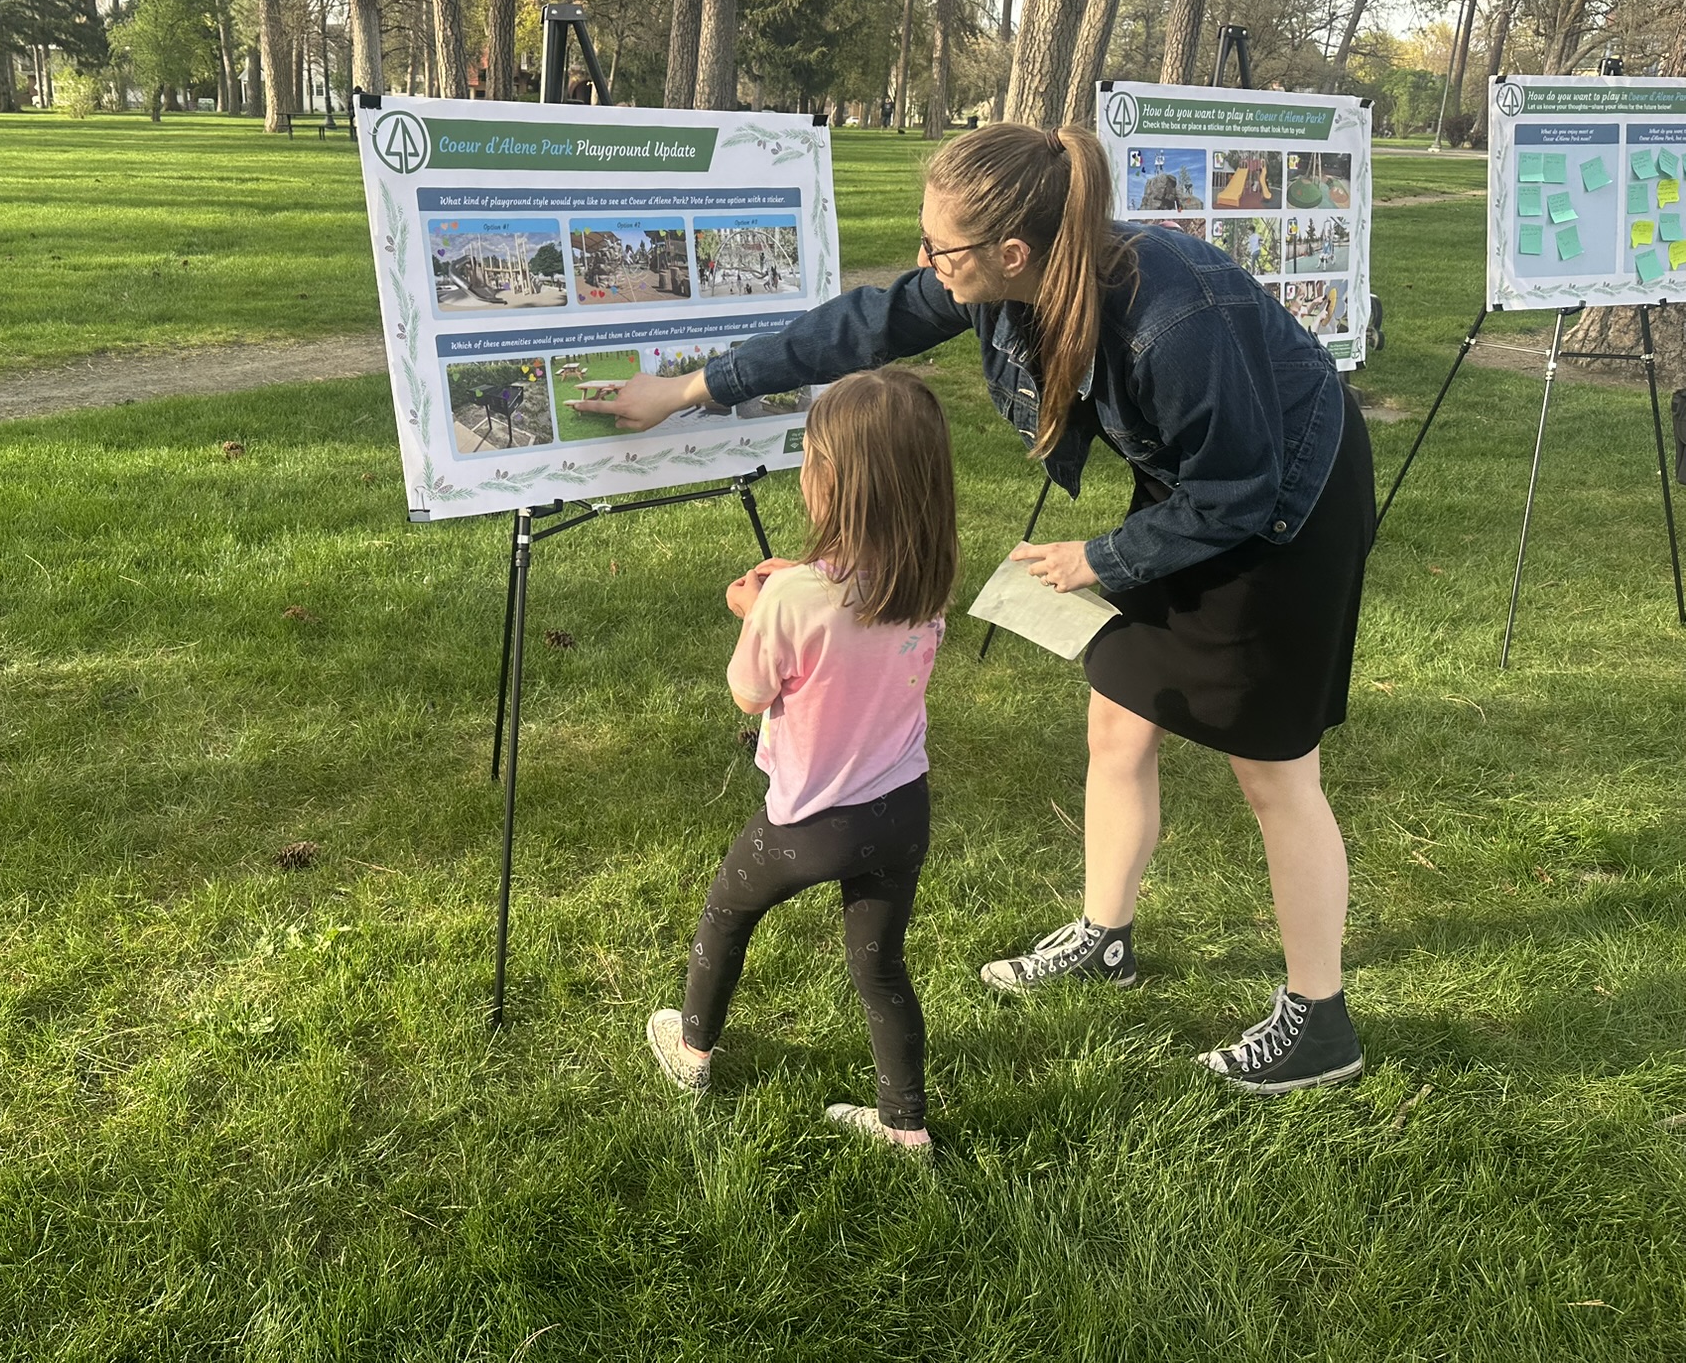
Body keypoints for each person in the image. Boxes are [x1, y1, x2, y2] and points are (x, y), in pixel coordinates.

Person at [586, 123, 1376, 1095]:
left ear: (1010, 252)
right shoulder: (1006, 278)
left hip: (1285, 503)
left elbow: (1239, 490)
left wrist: (1098, 558)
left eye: (939, 248)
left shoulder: (1173, 318)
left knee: (1272, 769)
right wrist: (688, 390)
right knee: (1116, 721)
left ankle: (1319, 1021)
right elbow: (860, 327)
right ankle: (1105, 938)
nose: (925, 264)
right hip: (1191, 490)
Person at [644, 368, 958, 1149]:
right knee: (880, 967)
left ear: (830, 482)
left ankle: (691, 1053)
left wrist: (753, 610)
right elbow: (854, 617)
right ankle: (905, 1128)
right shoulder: (928, 576)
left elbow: (749, 694)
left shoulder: (788, 602)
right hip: (901, 810)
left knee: (728, 912)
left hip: (809, 821)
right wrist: (797, 586)